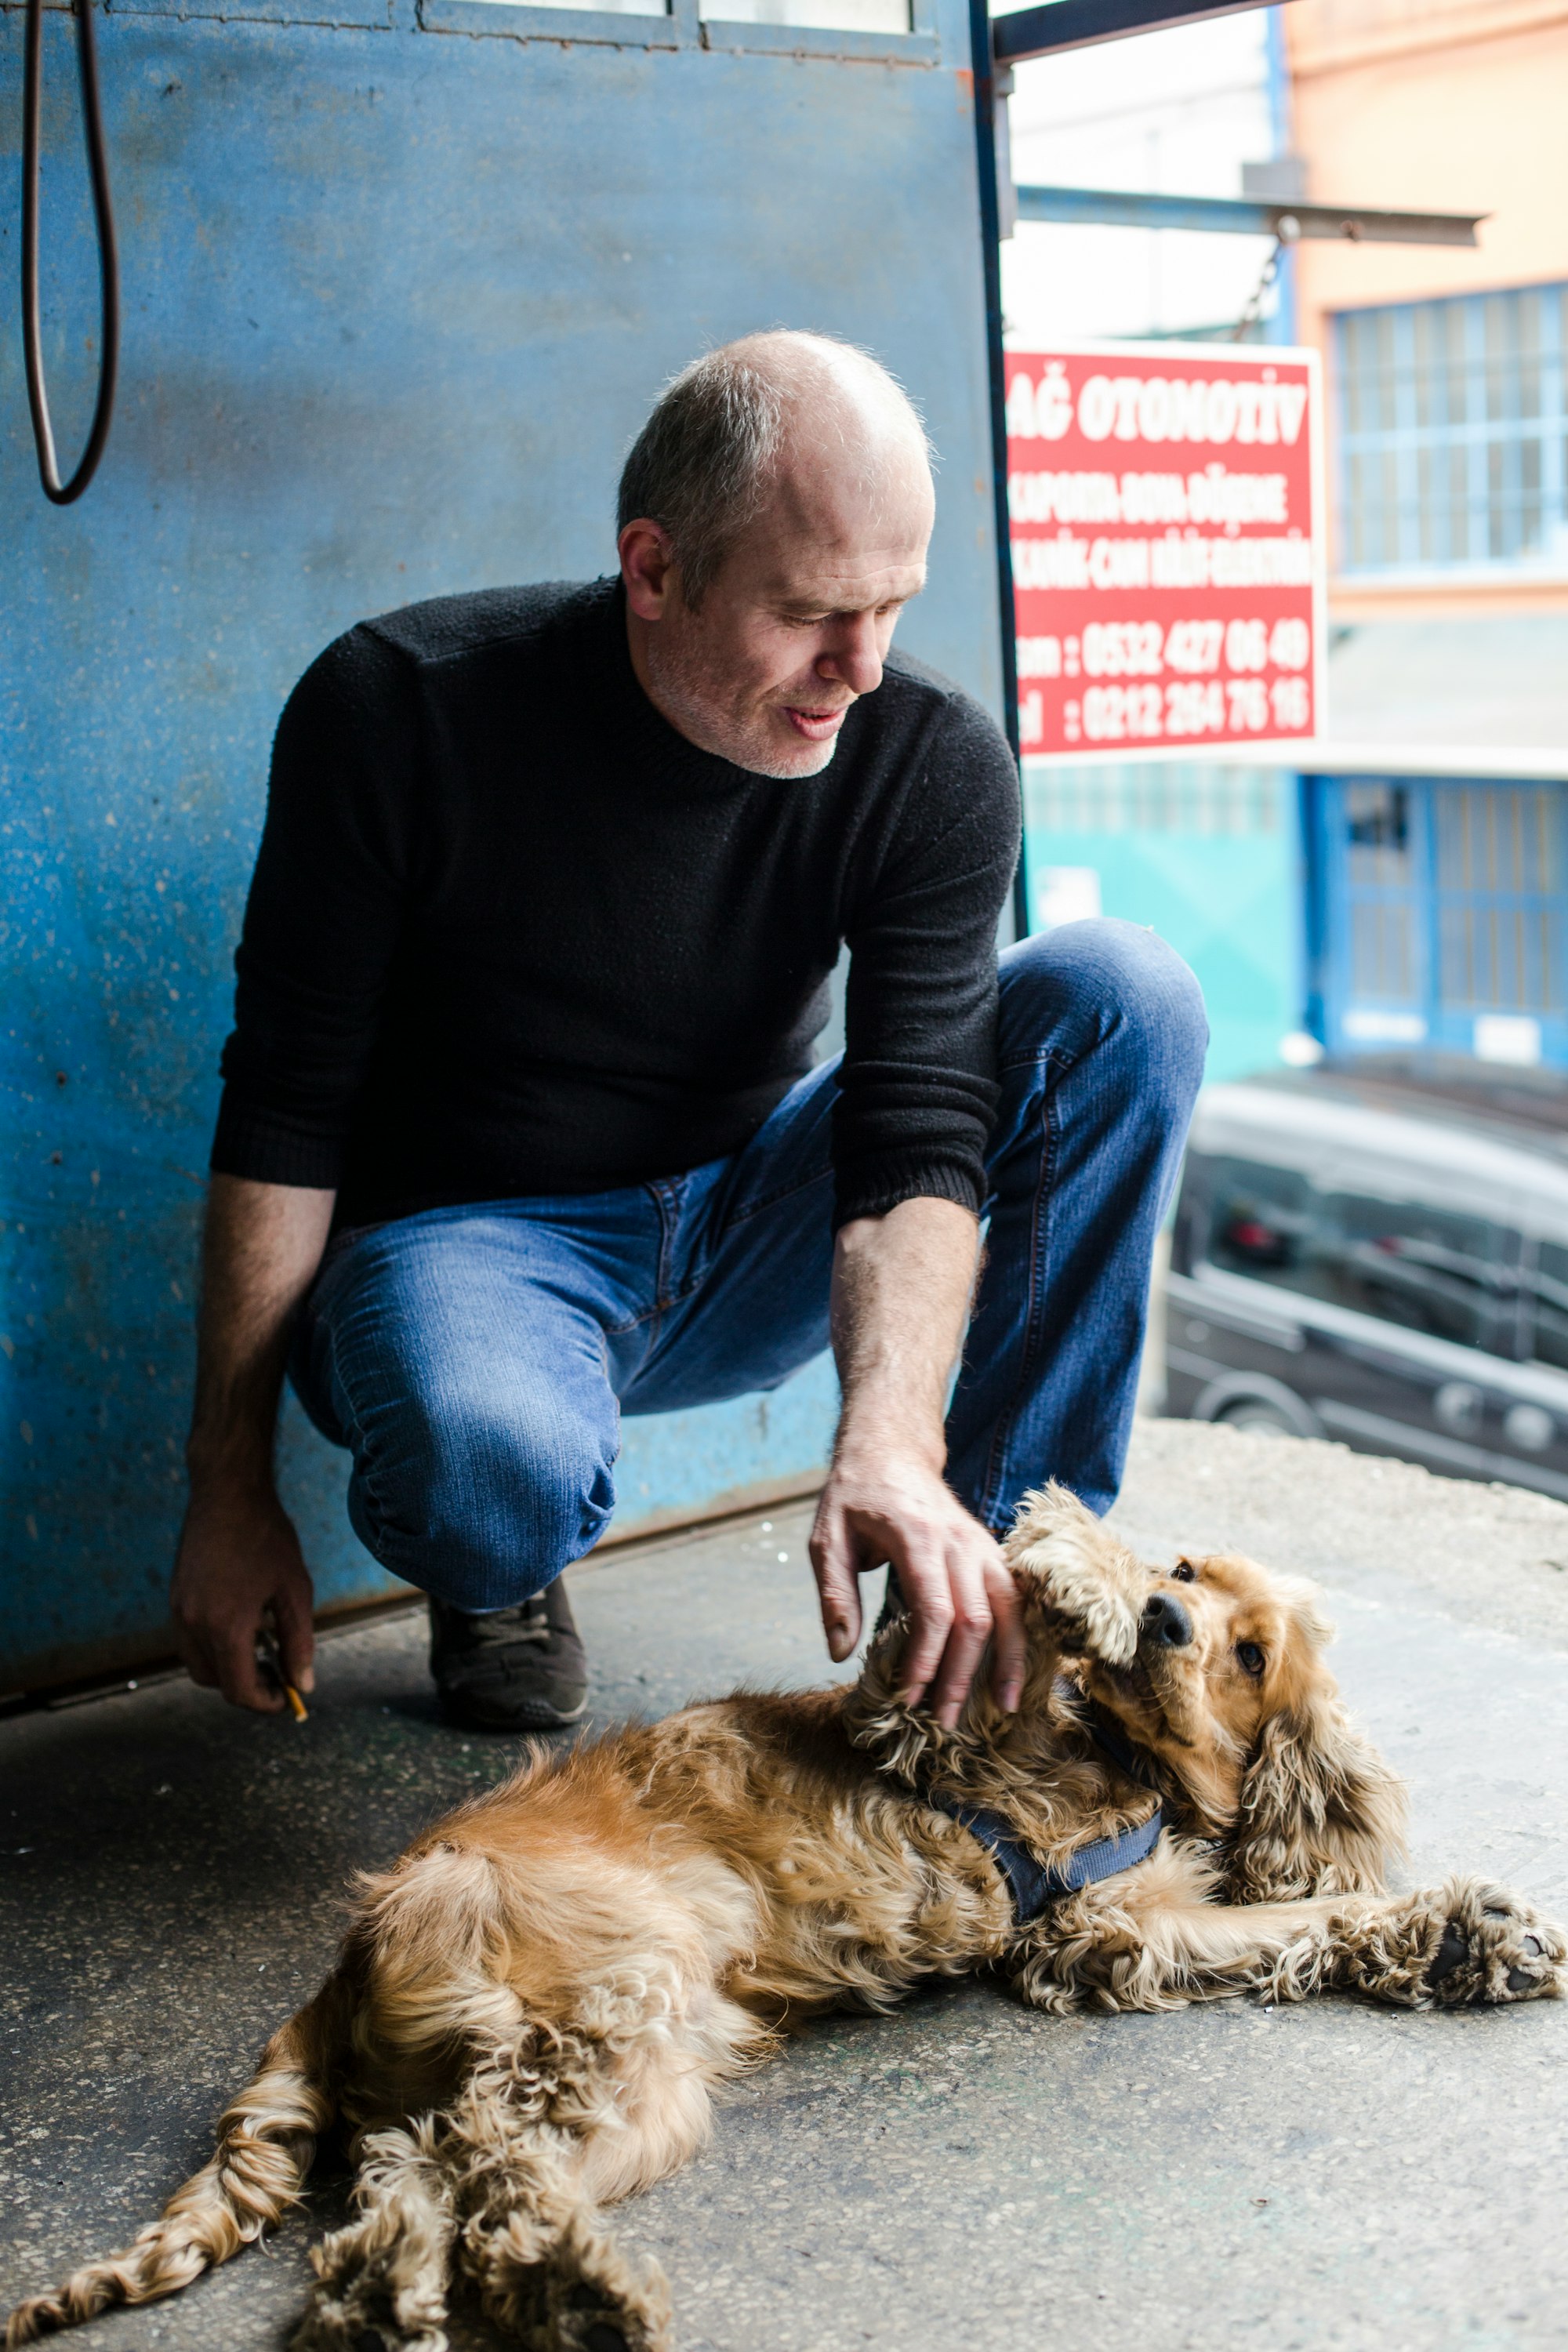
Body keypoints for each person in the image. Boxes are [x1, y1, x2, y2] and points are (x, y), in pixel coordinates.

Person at [169, 330, 1207, 1735]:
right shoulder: (396, 709)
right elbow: (287, 1108)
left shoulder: (925, 758)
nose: (861, 666)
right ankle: (504, 1566)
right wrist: (227, 1492)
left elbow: (918, 1133)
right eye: (813, 612)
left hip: (747, 1221)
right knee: (489, 1479)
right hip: (472, 1248)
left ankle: (1003, 1590)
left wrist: (892, 1437)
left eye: (893, 606)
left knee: (1122, 993)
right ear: (653, 569)